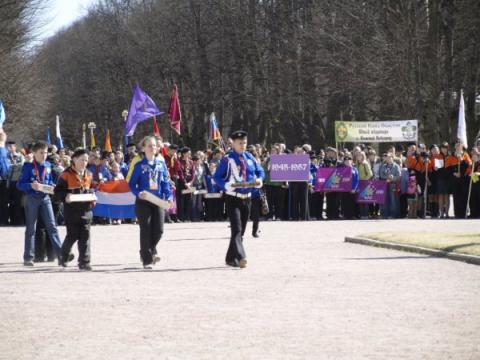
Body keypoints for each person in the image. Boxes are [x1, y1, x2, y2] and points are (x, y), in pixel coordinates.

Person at [214, 130, 265, 268]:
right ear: (233, 143)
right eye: (239, 143)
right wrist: (226, 185)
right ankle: (242, 257)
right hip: (233, 198)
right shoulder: (228, 159)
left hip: (247, 198)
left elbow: (260, 171)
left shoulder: (250, 157)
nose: (243, 145)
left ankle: (230, 258)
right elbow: (217, 176)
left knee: (241, 231)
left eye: (244, 142)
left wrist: (260, 179)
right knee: (236, 229)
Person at [128, 136, 173, 269]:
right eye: (149, 145)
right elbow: (131, 184)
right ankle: (147, 259)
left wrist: (169, 196)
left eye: (154, 145)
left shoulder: (161, 164)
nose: (152, 148)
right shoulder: (139, 165)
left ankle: (147, 250)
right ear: (143, 148)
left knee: (159, 230)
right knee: (145, 229)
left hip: (158, 201)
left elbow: (165, 183)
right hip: (144, 200)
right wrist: (138, 193)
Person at [17, 141, 63, 266]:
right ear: (34, 153)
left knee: (52, 227)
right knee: (31, 228)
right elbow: (19, 184)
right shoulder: (28, 167)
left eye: (46, 152)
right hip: (32, 198)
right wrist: (31, 185)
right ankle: (28, 257)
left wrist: (52, 186)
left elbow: (48, 181)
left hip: (45, 198)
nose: (44, 155)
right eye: (41, 153)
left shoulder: (48, 165)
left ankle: (61, 255)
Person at [54, 149, 95, 270]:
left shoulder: (89, 174)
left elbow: (91, 188)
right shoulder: (66, 174)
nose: (84, 162)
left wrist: (93, 195)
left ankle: (84, 262)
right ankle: (63, 256)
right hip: (71, 211)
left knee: (85, 237)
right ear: (74, 159)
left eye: (86, 160)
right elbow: (57, 192)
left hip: (86, 211)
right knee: (72, 236)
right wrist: (65, 196)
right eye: (82, 159)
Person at [446, 140, 472, 218]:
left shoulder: (465, 155)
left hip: (463, 179)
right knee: (456, 196)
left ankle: (464, 213)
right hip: (454, 179)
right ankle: (457, 213)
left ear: (462, 146)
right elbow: (447, 167)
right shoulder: (451, 156)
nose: (458, 146)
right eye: (456, 145)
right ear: (455, 146)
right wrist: (454, 173)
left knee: (464, 195)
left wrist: (462, 161)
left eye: (459, 144)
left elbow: (470, 165)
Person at [379, 152, 401, 219]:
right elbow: (381, 174)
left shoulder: (396, 166)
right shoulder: (383, 166)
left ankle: (393, 215)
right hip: (385, 185)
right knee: (385, 200)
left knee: (393, 200)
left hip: (393, 185)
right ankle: (385, 214)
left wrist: (392, 178)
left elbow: (399, 176)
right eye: (387, 157)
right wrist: (387, 178)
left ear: (392, 158)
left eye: (389, 157)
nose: (388, 159)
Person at [0, 129, 10, 226]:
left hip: (4, 179)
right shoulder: (3, 151)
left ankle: (4, 220)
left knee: (4, 201)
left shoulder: (5, 151)